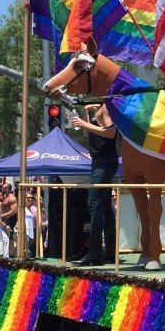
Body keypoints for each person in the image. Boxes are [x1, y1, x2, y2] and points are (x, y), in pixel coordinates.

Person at [70, 102, 119, 266]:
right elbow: (86, 133)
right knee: (104, 206)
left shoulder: (105, 109)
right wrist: (85, 115)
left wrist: (84, 122)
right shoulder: (97, 112)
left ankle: (95, 252)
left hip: (105, 162)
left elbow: (112, 133)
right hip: (99, 162)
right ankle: (110, 252)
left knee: (94, 203)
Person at [0, 182, 18, 257]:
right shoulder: (4, 197)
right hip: (5, 219)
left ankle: (11, 254)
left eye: (3, 188)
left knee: (10, 237)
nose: (2, 189)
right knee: (5, 238)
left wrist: (4, 215)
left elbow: (13, 211)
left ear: (7, 189)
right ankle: (7, 253)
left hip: (10, 219)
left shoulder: (12, 198)